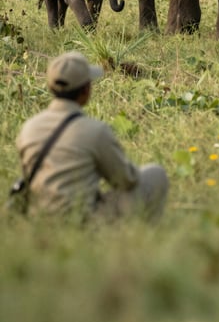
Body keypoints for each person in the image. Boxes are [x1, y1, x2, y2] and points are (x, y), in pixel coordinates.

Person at [15, 51, 168, 222]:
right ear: (86, 90)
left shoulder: (28, 128)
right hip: (84, 221)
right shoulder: (95, 130)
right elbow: (126, 180)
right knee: (155, 174)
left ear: (51, 87)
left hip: (40, 218)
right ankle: (139, 238)